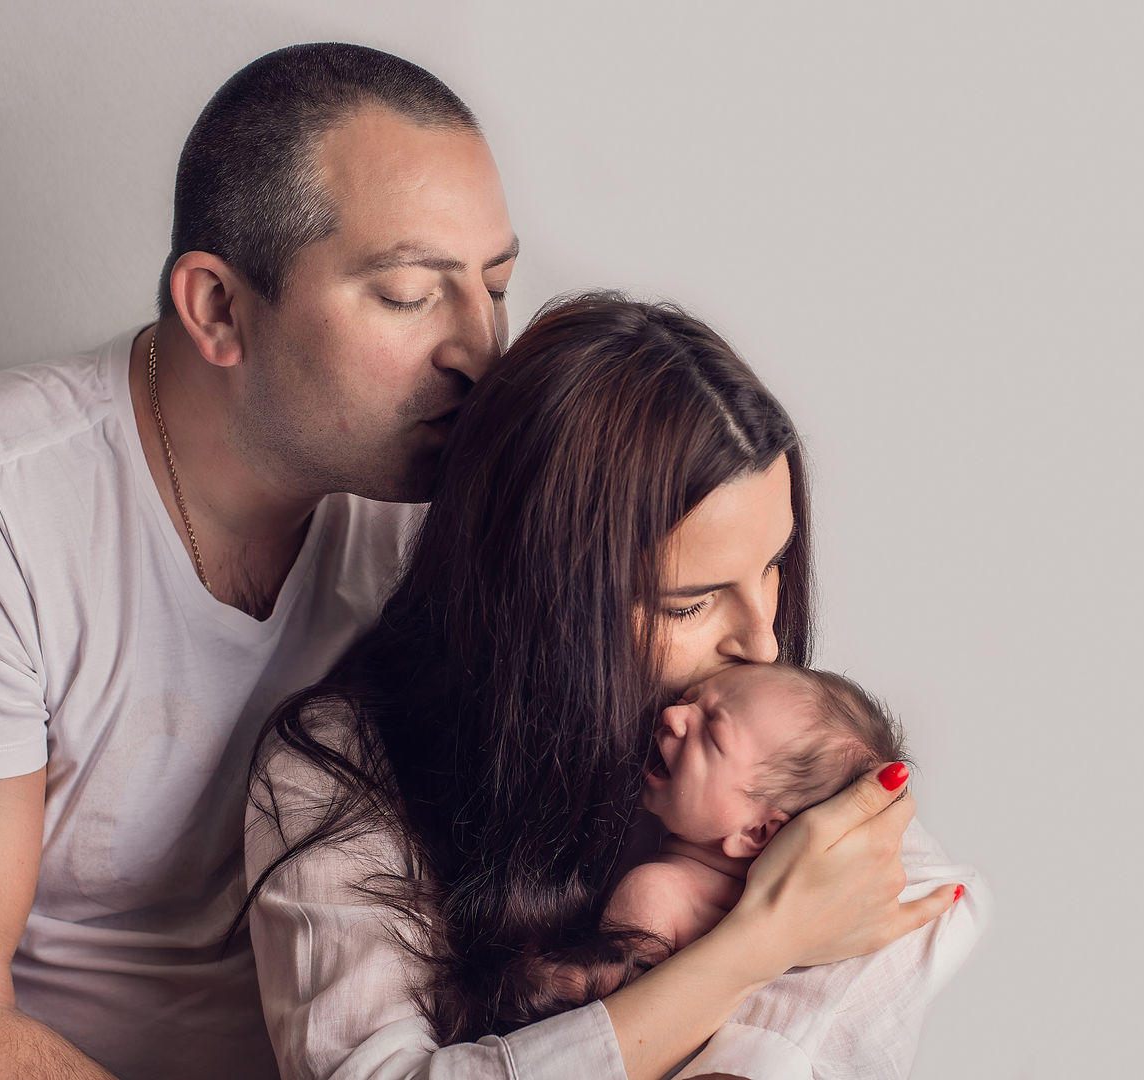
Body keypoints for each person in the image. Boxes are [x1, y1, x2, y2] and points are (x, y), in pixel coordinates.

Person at [0, 44, 516, 1079]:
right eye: (408, 294)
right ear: (217, 307)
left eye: (495, 286)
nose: (479, 353)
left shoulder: (441, 502)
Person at [244, 294, 985, 1080]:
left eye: (773, 567)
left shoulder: (752, 739)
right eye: (691, 601)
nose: (764, 639)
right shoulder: (332, 772)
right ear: (544, 599)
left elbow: (932, 897)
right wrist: (756, 947)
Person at [607, 662, 918, 959]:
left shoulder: (654, 895)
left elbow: (593, 1011)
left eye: (712, 736)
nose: (672, 714)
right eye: (688, 698)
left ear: (755, 831)